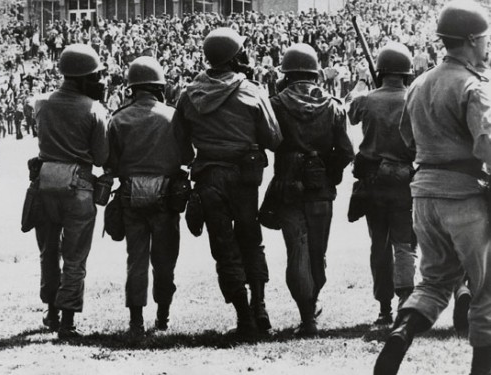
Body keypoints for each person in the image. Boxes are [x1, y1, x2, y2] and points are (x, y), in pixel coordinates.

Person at [374, 0, 491, 375]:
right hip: (466, 196)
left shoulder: (420, 82)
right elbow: (486, 142)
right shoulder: (473, 86)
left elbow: (407, 138)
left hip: (424, 194)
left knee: (435, 281)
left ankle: (402, 332)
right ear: (472, 40)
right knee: (486, 289)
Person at [176, 28, 282, 338]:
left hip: (209, 176)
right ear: (235, 57)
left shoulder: (188, 94)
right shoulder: (252, 91)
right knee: (251, 239)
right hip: (245, 177)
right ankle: (260, 308)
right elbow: (274, 139)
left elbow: (181, 147)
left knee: (223, 247)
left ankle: (243, 316)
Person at [262, 43, 353, 337]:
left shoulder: (275, 104)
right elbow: (346, 151)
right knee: (317, 254)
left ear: (287, 73)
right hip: (320, 190)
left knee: (297, 251)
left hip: (288, 186)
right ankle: (311, 309)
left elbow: (270, 142)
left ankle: (307, 316)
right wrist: (328, 172)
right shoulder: (334, 106)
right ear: (315, 72)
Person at [106, 57, 194, 337]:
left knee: (136, 259)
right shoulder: (172, 116)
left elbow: (112, 163)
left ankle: (135, 321)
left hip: (131, 195)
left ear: (131, 88)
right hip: (166, 196)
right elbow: (187, 157)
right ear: (159, 87)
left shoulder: (118, 118)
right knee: (165, 260)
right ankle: (163, 316)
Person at [33, 44, 108, 338]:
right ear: (81, 77)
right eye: (96, 75)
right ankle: (67, 322)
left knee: (48, 252)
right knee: (75, 256)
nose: (100, 80)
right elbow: (102, 158)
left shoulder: (41, 103)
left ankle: (51, 313)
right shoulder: (94, 109)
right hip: (79, 184)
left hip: (44, 182)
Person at [347, 42, 417, 326]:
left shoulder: (367, 99)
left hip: (374, 180)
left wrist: (363, 83)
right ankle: (405, 301)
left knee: (379, 244)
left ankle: (384, 307)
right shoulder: (413, 98)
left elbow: (351, 114)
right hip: (404, 180)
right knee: (404, 244)